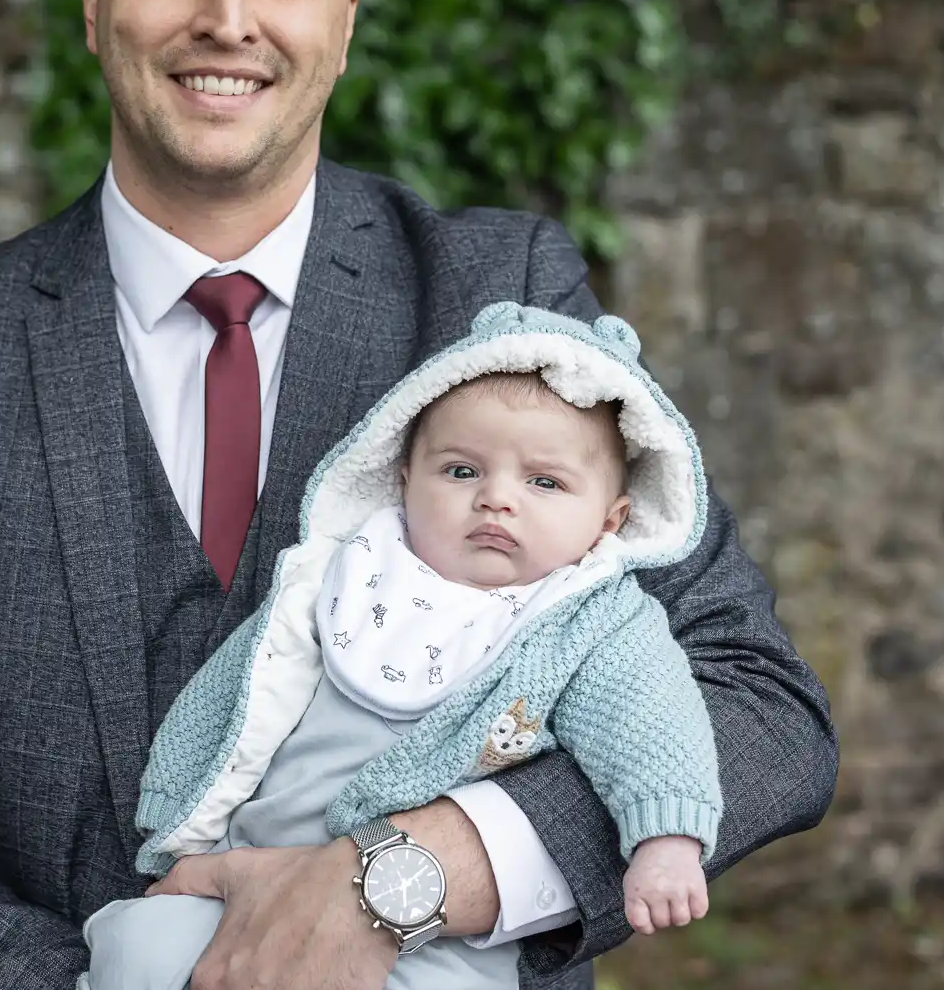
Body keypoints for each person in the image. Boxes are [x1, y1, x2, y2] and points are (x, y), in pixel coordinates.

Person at [0, 0, 837, 990]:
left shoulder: (495, 303)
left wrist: (412, 875)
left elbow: (756, 705)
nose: (227, 18)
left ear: (345, 14)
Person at [84, 302, 723, 990]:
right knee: (138, 941)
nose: (497, 498)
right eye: (460, 471)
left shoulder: (591, 621)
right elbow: (243, 688)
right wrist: (183, 805)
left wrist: (667, 839)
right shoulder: (346, 571)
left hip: (435, 938)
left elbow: (656, 727)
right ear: (403, 476)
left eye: (545, 481)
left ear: (611, 518)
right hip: (245, 873)